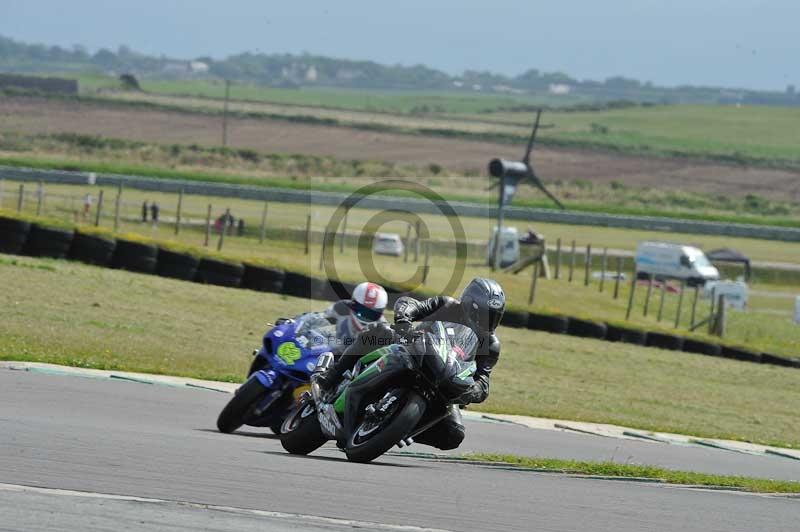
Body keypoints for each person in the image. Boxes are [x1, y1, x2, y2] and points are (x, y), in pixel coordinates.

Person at [317, 277, 505, 451]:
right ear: (470, 306)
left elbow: (483, 380)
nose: (489, 322)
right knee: (379, 331)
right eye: (486, 314)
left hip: (445, 379)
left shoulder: (490, 344)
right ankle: (332, 375)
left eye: (495, 316)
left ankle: (400, 428)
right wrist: (405, 322)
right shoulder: (447, 306)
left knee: (454, 434)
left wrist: (472, 391)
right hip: (413, 348)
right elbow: (410, 304)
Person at [322, 282, 389, 355]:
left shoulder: (384, 330)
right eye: (361, 310)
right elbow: (316, 322)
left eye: (371, 313)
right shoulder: (339, 309)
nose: (365, 316)